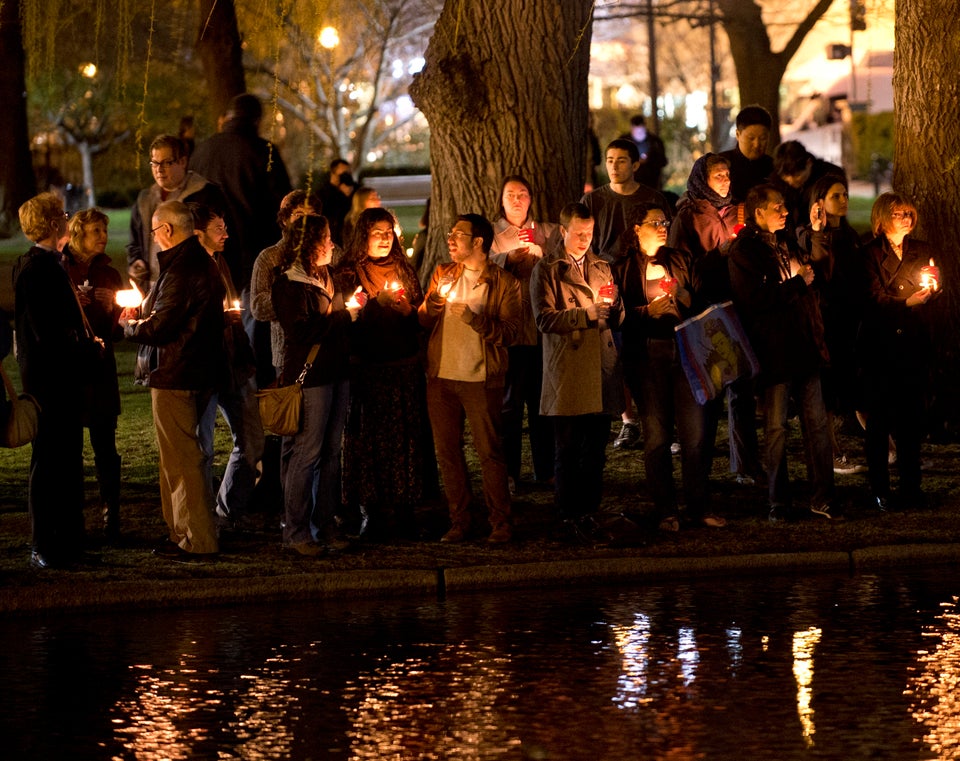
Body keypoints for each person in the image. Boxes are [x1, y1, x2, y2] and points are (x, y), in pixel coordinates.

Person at [123, 200, 226, 561]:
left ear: (166, 230)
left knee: (182, 459)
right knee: (181, 458)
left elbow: (162, 326)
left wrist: (130, 326)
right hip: (195, 370)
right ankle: (181, 531)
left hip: (176, 372)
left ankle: (197, 538)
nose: (153, 238)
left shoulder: (182, 268)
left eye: (154, 231)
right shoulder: (200, 262)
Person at [728, 184, 835, 523]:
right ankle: (778, 500)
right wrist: (796, 283)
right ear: (758, 213)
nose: (785, 213)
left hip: (805, 347)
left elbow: (817, 274)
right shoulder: (745, 250)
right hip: (775, 354)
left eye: (785, 208)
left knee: (817, 425)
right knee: (776, 428)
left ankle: (824, 497)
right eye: (778, 208)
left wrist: (817, 235)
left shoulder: (785, 241)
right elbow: (755, 300)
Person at [613, 202, 723, 532]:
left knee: (695, 436)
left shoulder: (680, 260)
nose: (663, 226)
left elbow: (703, 305)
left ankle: (698, 506)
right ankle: (666, 510)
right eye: (655, 222)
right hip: (647, 357)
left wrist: (681, 294)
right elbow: (616, 316)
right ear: (637, 228)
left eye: (665, 221)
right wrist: (648, 312)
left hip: (684, 353)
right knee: (657, 437)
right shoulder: (624, 267)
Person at [418, 214, 521, 544]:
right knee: (447, 452)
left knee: (489, 451)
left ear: (478, 242)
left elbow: (511, 333)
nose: (450, 239)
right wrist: (433, 304)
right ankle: (459, 521)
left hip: (480, 378)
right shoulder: (443, 274)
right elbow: (423, 319)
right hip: (441, 377)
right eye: (450, 233)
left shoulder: (505, 283)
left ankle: (500, 521)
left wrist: (476, 321)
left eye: (458, 235)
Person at [531, 202, 624, 535]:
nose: (585, 239)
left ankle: (590, 509)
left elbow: (616, 313)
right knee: (568, 446)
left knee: (596, 447)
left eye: (590, 233)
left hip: (598, 362)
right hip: (568, 366)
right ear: (563, 231)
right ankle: (568, 512)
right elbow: (543, 318)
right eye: (579, 233)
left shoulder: (601, 266)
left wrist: (614, 307)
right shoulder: (547, 269)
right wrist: (585, 315)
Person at [669, 153, 761, 487]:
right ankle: (702, 470)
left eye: (726, 174)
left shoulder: (737, 209)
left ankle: (746, 465)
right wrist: (717, 257)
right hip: (708, 310)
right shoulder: (690, 215)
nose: (724, 180)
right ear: (701, 179)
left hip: (740, 306)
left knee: (742, 391)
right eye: (716, 175)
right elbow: (681, 268)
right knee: (710, 394)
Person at [272, 214, 362, 556]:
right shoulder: (289, 284)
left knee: (330, 453)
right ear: (309, 244)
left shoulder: (327, 277)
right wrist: (344, 317)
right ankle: (296, 531)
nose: (332, 244)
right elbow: (301, 331)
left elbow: (334, 321)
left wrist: (351, 310)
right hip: (310, 378)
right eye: (325, 239)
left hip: (337, 372)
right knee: (306, 453)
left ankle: (325, 525)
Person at [189, 92, 293, 388]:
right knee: (250, 322)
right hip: (252, 249)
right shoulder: (262, 151)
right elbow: (281, 204)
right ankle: (251, 382)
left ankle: (220, 377)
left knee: (215, 318)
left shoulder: (203, 151)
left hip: (209, 250)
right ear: (257, 120)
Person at [13, 193, 94, 568]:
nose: (67, 218)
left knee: (66, 459)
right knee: (49, 462)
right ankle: (46, 543)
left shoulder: (49, 266)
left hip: (60, 379)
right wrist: (85, 347)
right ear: (51, 225)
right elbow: (47, 331)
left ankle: (69, 539)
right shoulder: (37, 269)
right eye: (62, 215)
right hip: (51, 382)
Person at [337, 207, 428, 540]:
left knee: (403, 440)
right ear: (364, 235)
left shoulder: (403, 267)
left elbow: (417, 309)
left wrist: (407, 310)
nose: (385, 237)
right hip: (368, 369)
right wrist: (375, 305)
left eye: (389, 231)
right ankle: (369, 511)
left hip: (401, 366)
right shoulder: (349, 271)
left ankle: (405, 508)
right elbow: (347, 316)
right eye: (377, 232)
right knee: (369, 443)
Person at [581, 138, 669, 449]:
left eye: (621, 160)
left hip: (645, 280)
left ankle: (660, 419)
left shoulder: (651, 198)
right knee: (615, 354)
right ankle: (627, 420)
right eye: (609, 160)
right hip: (608, 283)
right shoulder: (594, 201)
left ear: (635, 164)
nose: (614, 166)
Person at [858, 192, 939, 512]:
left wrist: (932, 288)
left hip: (912, 345)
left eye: (909, 213)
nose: (906, 218)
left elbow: (935, 285)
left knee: (910, 422)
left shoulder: (922, 251)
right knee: (878, 423)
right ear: (881, 218)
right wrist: (906, 303)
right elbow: (871, 299)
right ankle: (880, 489)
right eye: (898, 213)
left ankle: (911, 486)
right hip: (880, 346)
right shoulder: (868, 254)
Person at [190, 203, 265, 531]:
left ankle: (228, 510)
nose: (226, 234)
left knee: (252, 441)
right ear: (198, 232)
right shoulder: (188, 269)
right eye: (219, 228)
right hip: (205, 369)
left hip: (234, 363)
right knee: (201, 449)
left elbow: (235, 313)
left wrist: (245, 354)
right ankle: (201, 518)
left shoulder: (221, 262)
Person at [489, 175, 558, 493]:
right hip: (511, 333)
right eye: (510, 195)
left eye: (523, 194)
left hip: (541, 330)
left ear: (531, 198)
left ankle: (546, 469)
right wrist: (507, 260)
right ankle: (510, 472)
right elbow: (482, 269)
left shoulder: (548, 231)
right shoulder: (492, 235)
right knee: (510, 406)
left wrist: (541, 253)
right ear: (501, 200)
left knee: (542, 403)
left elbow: (561, 264)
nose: (517, 200)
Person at [797, 174, 868, 476]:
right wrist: (817, 230)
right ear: (819, 201)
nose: (843, 200)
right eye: (835, 196)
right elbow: (819, 267)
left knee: (857, 386)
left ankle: (884, 444)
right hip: (824, 321)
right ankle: (833, 453)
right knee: (827, 392)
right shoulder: (807, 234)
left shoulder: (851, 236)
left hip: (850, 320)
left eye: (844, 195)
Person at [61, 208, 124, 541]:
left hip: (100, 369)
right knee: (69, 446)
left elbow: (119, 327)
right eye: (96, 231)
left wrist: (111, 306)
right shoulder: (60, 270)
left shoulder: (109, 274)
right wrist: (76, 304)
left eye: (104, 230)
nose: (103, 236)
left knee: (105, 444)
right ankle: (70, 515)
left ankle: (110, 512)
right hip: (71, 369)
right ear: (77, 234)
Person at [127, 134, 228, 293]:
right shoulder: (145, 199)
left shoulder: (205, 195)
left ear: (183, 161)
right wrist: (136, 261)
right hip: (153, 286)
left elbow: (220, 239)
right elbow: (135, 241)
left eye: (167, 163)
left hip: (191, 287)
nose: (159, 169)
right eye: (154, 163)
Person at [250, 190, 321, 378]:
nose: (304, 222)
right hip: (287, 354)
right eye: (298, 215)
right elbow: (257, 307)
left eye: (311, 216)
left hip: (326, 349)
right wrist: (292, 300)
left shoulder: (331, 253)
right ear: (284, 220)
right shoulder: (269, 258)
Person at [769, 140, 845, 236]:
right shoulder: (777, 181)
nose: (791, 181)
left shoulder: (829, 176)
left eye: (797, 175)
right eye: (786, 177)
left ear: (809, 163)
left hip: (823, 235)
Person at [719, 105, 774, 203]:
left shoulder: (774, 167)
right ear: (737, 135)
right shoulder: (721, 165)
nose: (757, 144)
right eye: (751, 138)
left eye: (763, 138)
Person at [621, 114, 668, 190]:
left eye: (640, 130)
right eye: (636, 130)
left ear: (645, 127)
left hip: (651, 184)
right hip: (629, 184)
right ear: (631, 128)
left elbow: (662, 161)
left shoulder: (655, 142)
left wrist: (649, 160)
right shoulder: (623, 141)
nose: (638, 133)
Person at [319, 158, 356, 247]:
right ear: (333, 174)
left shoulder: (354, 189)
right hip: (333, 236)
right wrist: (342, 194)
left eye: (348, 173)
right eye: (343, 174)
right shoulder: (323, 193)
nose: (345, 176)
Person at [340, 186, 382, 255]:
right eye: (372, 198)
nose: (377, 201)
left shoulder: (380, 220)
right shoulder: (353, 222)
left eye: (377, 197)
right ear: (361, 202)